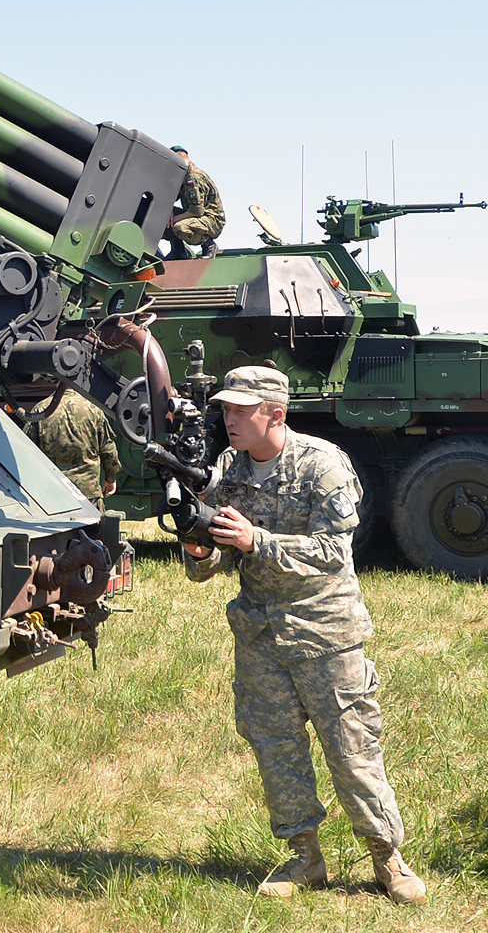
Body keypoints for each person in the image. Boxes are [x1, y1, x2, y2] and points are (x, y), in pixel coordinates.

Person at [183, 365, 425, 905]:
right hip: (260, 633)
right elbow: (215, 559)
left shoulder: (322, 465)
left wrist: (257, 542)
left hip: (325, 633)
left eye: (241, 410)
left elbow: (333, 552)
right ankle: (303, 856)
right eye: (225, 409)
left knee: (352, 748)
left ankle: (387, 856)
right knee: (276, 747)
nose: (230, 421)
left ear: (276, 414)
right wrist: (200, 549)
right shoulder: (228, 468)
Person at [25, 390, 119, 507]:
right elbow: (108, 450)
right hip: (87, 492)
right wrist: (111, 478)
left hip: (53, 492)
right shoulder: (93, 408)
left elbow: (27, 449)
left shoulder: (41, 409)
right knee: (92, 525)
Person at [164, 145, 225, 259]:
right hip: (195, 216)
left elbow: (196, 211)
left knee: (180, 228)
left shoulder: (193, 177)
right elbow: (170, 196)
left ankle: (209, 246)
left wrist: (172, 221)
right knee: (160, 217)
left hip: (211, 219)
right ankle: (178, 251)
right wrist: (170, 210)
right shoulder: (182, 175)